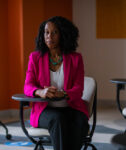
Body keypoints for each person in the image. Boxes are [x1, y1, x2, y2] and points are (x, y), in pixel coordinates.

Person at [24, 16, 89, 150]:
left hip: (71, 107)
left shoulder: (76, 59)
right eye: (46, 32)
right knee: (58, 119)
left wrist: (64, 93)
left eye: (54, 32)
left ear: (63, 34)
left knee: (80, 121)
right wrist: (40, 92)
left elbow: (78, 89)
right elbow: (28, 86)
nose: (49, 36)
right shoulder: (35, 57)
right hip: (44, 110)